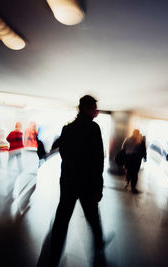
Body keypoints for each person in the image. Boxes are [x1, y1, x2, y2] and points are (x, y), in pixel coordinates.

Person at [41, 95, 106, 267]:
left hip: (69, 180)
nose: (96, 110)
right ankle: (99, 247)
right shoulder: (93, 128)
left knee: (62, 217)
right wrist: (98, 186)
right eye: (94, 107)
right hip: (87, 183)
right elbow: (98, 159)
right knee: (93, 217)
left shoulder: (67, 128)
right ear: (86, 108)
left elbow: (63, 152)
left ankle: (53, 252)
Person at [122, 129, 147, 194]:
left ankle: (127, 182)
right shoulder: (141, 141)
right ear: (138, 134)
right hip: (136, 159)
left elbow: (123, 148)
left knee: (129, 171)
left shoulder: (127, 139)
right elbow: (143, 150)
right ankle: (133, 187)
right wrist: (144, 158)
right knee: (135, 173)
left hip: (128, 158)